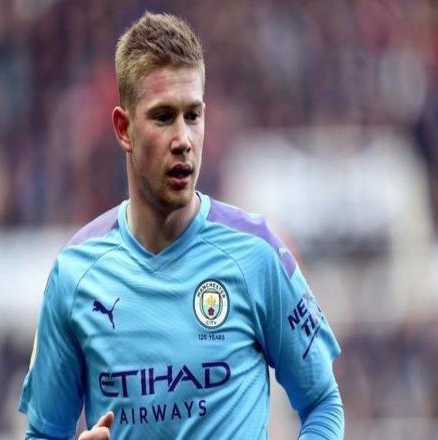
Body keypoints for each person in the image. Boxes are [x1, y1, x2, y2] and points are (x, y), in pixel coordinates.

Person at [19, 12, 344, 440]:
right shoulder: (75, 274)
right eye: (163, 117)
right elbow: (43, 433)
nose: (183, 140)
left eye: (192, 116)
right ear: (123, 128)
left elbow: (323, 403)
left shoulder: (257, 253)